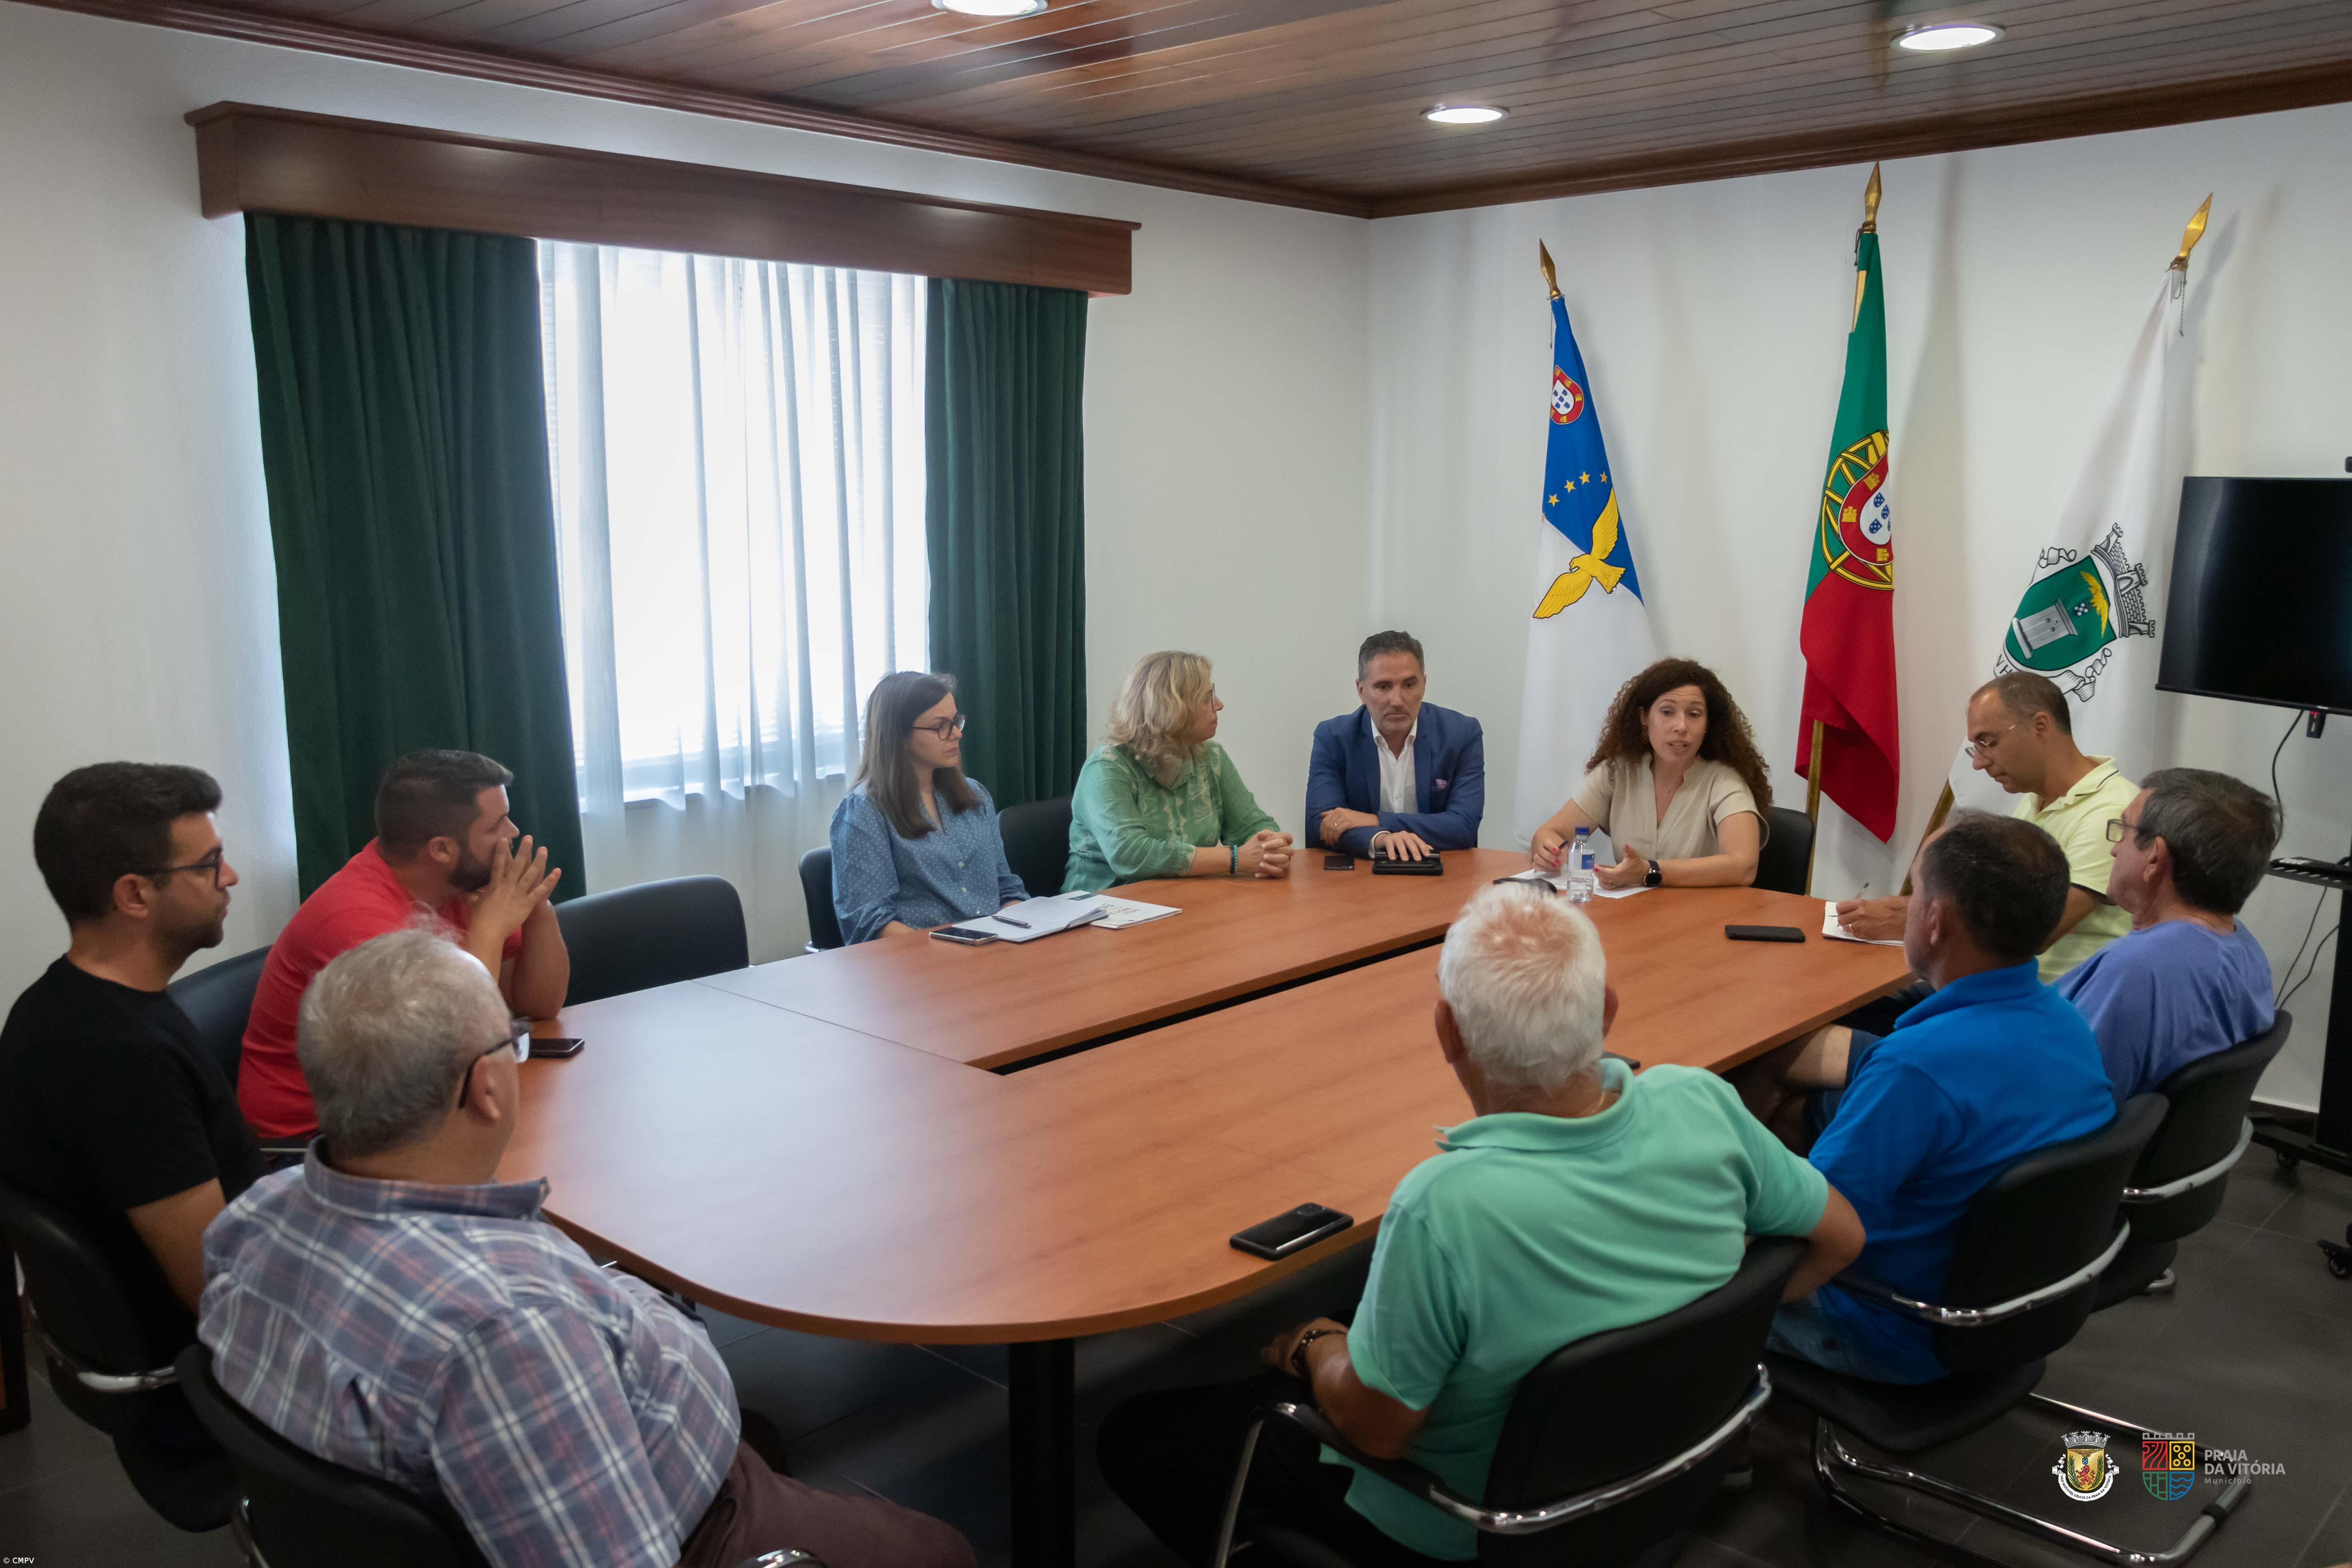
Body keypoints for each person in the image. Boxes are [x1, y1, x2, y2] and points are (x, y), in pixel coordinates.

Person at [1096, 885, 1864, 1564]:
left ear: (1445, 1032)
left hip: (1470, 1524)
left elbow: (1377, 1432)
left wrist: (1312, 1345)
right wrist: (1700, 1343)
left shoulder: (1442, 1206)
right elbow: (1840, 1237)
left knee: (1136, 1433)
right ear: (1605, 1011)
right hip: (1662, 1472)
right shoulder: (1701, 1104)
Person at [201, 930, 973, 1568]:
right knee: (943, 1552)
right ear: (486, 1088)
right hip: (709, 1527)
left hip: (556, 1450)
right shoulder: (510, 1332)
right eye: (509, 1039)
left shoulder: (254, 1218)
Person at [1756, 813, 2114, 1385]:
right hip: (2010, 1312)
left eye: (1915, 891)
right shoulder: (2070, 1027)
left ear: (1935, 921)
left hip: (1891, 1325)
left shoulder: (1917, 1069)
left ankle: (1720, 1437)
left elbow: (1807, 1233)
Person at [0, 763, 262, 1354]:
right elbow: (218, 1292)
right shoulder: (121, 1061)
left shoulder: (59, 1004)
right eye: (208, 864)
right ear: (134, 894)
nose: (232, 877)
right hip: (220, 1375)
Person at [238, 749, 569, 1145]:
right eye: (497, 825)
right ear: (442, 849)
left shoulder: (459, 886)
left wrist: (538, 910)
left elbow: (541, 1005)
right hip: (318, 1144)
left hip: (411, 1108)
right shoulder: (357, 919)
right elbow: (442, 1045)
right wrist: (490, 927)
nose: (513, 833)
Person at [1832, 673, 2137, 984]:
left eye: (1988, 742)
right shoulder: (2037, 800)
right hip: (2005, 987)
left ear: (2040, 726)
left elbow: (2032, 932)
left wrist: (1910, 917)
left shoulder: (2110, 810)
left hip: (2055, 1000)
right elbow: (2000, 901)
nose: (1978, 763)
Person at [2057, 768, 2280, 1102]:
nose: (2114, 850)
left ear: (2155, 857)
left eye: (2123, 830)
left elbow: (2066, 1099)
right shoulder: (2245, 948)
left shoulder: (2137, 970)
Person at [1528, 657, 1770, 889]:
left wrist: (1650, 871)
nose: (1681, 726)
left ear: (1708, 725)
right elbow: (1552, 832)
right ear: (1645, 717)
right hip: (1633, 915)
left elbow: (1743, 866)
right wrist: (1548, 851)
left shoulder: (1724, 781)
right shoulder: (1618, 771)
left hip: (1702, 918)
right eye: (1667, 712)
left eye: (1694, 715)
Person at [1063, 650, 1293, 892]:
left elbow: (1251, 825)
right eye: (1207, 698)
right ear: (1173, 708)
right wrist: (1236, 858)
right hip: (1099, 913)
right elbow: (1130, 855)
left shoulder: (1211, 757)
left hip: (1181, 902)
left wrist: (1272, 848)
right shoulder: (1107, 767)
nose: (1219, 705)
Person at [830, 672, 1026, 942]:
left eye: (956, 721)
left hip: (993, 953)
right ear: (899, 734)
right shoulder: (865, 810)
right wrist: (958, 950)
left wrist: (1016, 929)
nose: (957, 734)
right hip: (919, 967)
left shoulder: (975, 795)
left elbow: (1007, 889)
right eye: (940, 726)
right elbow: (870, 924)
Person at [1304, 630, 1485, 864]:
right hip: (1360, 881)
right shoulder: (1334, 737)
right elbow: (1322, 824)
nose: (1397, 700)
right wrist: (1380, 839)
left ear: (1424, 684)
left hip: (1443, 875)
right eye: (1383, 687)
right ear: (1361, 691)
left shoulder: (1461, 734)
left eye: (1409, 685)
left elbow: (1464, 826)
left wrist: (1375, 821)